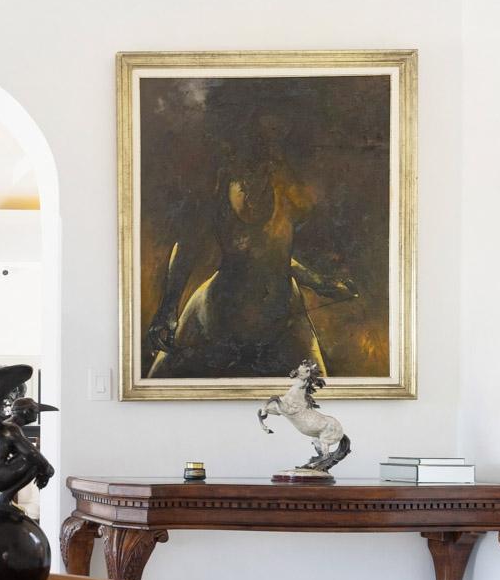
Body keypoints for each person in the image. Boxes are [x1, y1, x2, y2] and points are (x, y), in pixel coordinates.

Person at [145, 105, 357, 379]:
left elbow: (273, 255)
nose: (273, 148)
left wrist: (319, 282)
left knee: (319, 388)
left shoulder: (288, 190)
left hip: (283, 319)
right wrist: (167, 308)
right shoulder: (219, 187)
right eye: (265, 138)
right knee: (158, 383)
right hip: (217, 316)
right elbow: (188, 246)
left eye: (278, 138)